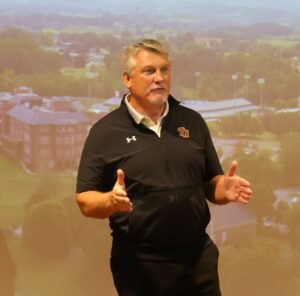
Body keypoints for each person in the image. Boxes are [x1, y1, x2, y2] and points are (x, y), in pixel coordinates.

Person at [75, 39, 252, 296]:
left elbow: (210, 184)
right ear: (127, 78)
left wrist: (223, 189)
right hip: (141, 266)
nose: (159, 78)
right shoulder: (105, 132)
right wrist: (112, 201)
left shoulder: (192, 121)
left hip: (197, 260)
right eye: (149, 71)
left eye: (164, 70)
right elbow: (84, 200)